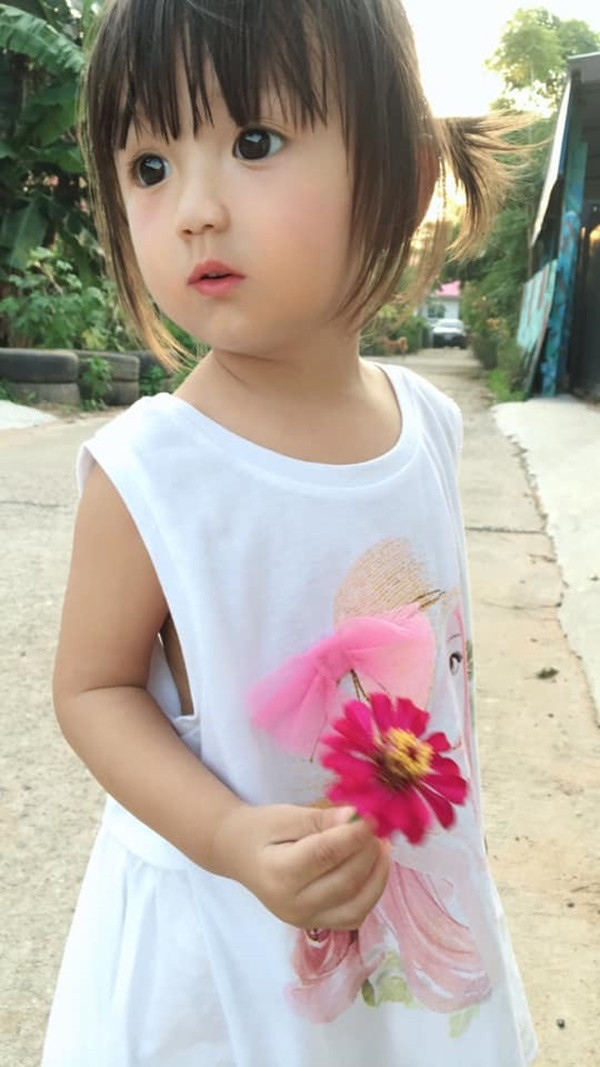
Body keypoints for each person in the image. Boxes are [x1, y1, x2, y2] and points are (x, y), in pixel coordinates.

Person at [41, 1, 538, 1064]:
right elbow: (93, 689)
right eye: (149, 166)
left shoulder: (430, 427)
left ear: (400, 178)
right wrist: (228, 834)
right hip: (232, 953)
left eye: (255, 142)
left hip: (411, 908)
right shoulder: (154, 469)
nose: (195, 211)